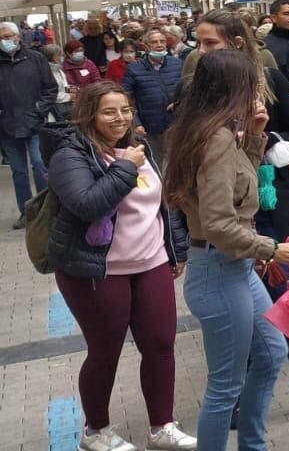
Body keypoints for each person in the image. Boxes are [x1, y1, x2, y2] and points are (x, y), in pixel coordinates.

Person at [163, 49, 289, 451]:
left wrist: (257, 138)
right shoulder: (216, 139)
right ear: (232, 89)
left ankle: (252, 446)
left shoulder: (215, 133)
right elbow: (220, 224)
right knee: (226, 386)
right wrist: (271, 249)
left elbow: (238, 188)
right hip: (219, 269)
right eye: (252, 86)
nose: (258, 93)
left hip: (234, 268)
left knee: (271, 352)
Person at [44, 81, 197, 451]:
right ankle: (95, 431)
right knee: (105, 351)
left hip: (151, 264)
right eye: (109, 111)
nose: (120, 118)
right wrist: (126, 167)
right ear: (89, 115)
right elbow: (87, 204)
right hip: (97, 271)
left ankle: (162, 426)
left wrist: (175, 250)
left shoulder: (137, 150)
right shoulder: (71, 154)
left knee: (161, 345)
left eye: (125, 110)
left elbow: (164, 204)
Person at [186, 9, 289, 420]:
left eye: (210, 43)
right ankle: (237, 390)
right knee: (240, 305)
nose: (201, 51)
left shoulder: (271, 81)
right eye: (199, 43)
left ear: (237, 44)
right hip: (226, 210)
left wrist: (263, 141)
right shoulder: (197, 88)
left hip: (276, 198)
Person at [0, 21, 55, 229]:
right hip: (6, 126)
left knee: (40, 163)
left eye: (8, 36)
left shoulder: (36, 58)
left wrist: (39, 111)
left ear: (18, 37)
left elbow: (50, 88)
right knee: (18, 171)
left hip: (34, 122)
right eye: (1, 37)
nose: (5, 41)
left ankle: (45, 210)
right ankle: (26, 212)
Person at [123, 28, 183, 162]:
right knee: (156, 160)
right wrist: (136, 122)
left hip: (176, 123)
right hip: (149, 126)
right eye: (154, 42)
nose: (159, 45)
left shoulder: (177, 64)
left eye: (162, 41)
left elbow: (187, 90)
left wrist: (180, 103)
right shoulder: (134, 68)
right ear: (146, 46)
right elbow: (125, 98)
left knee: (177, 160)